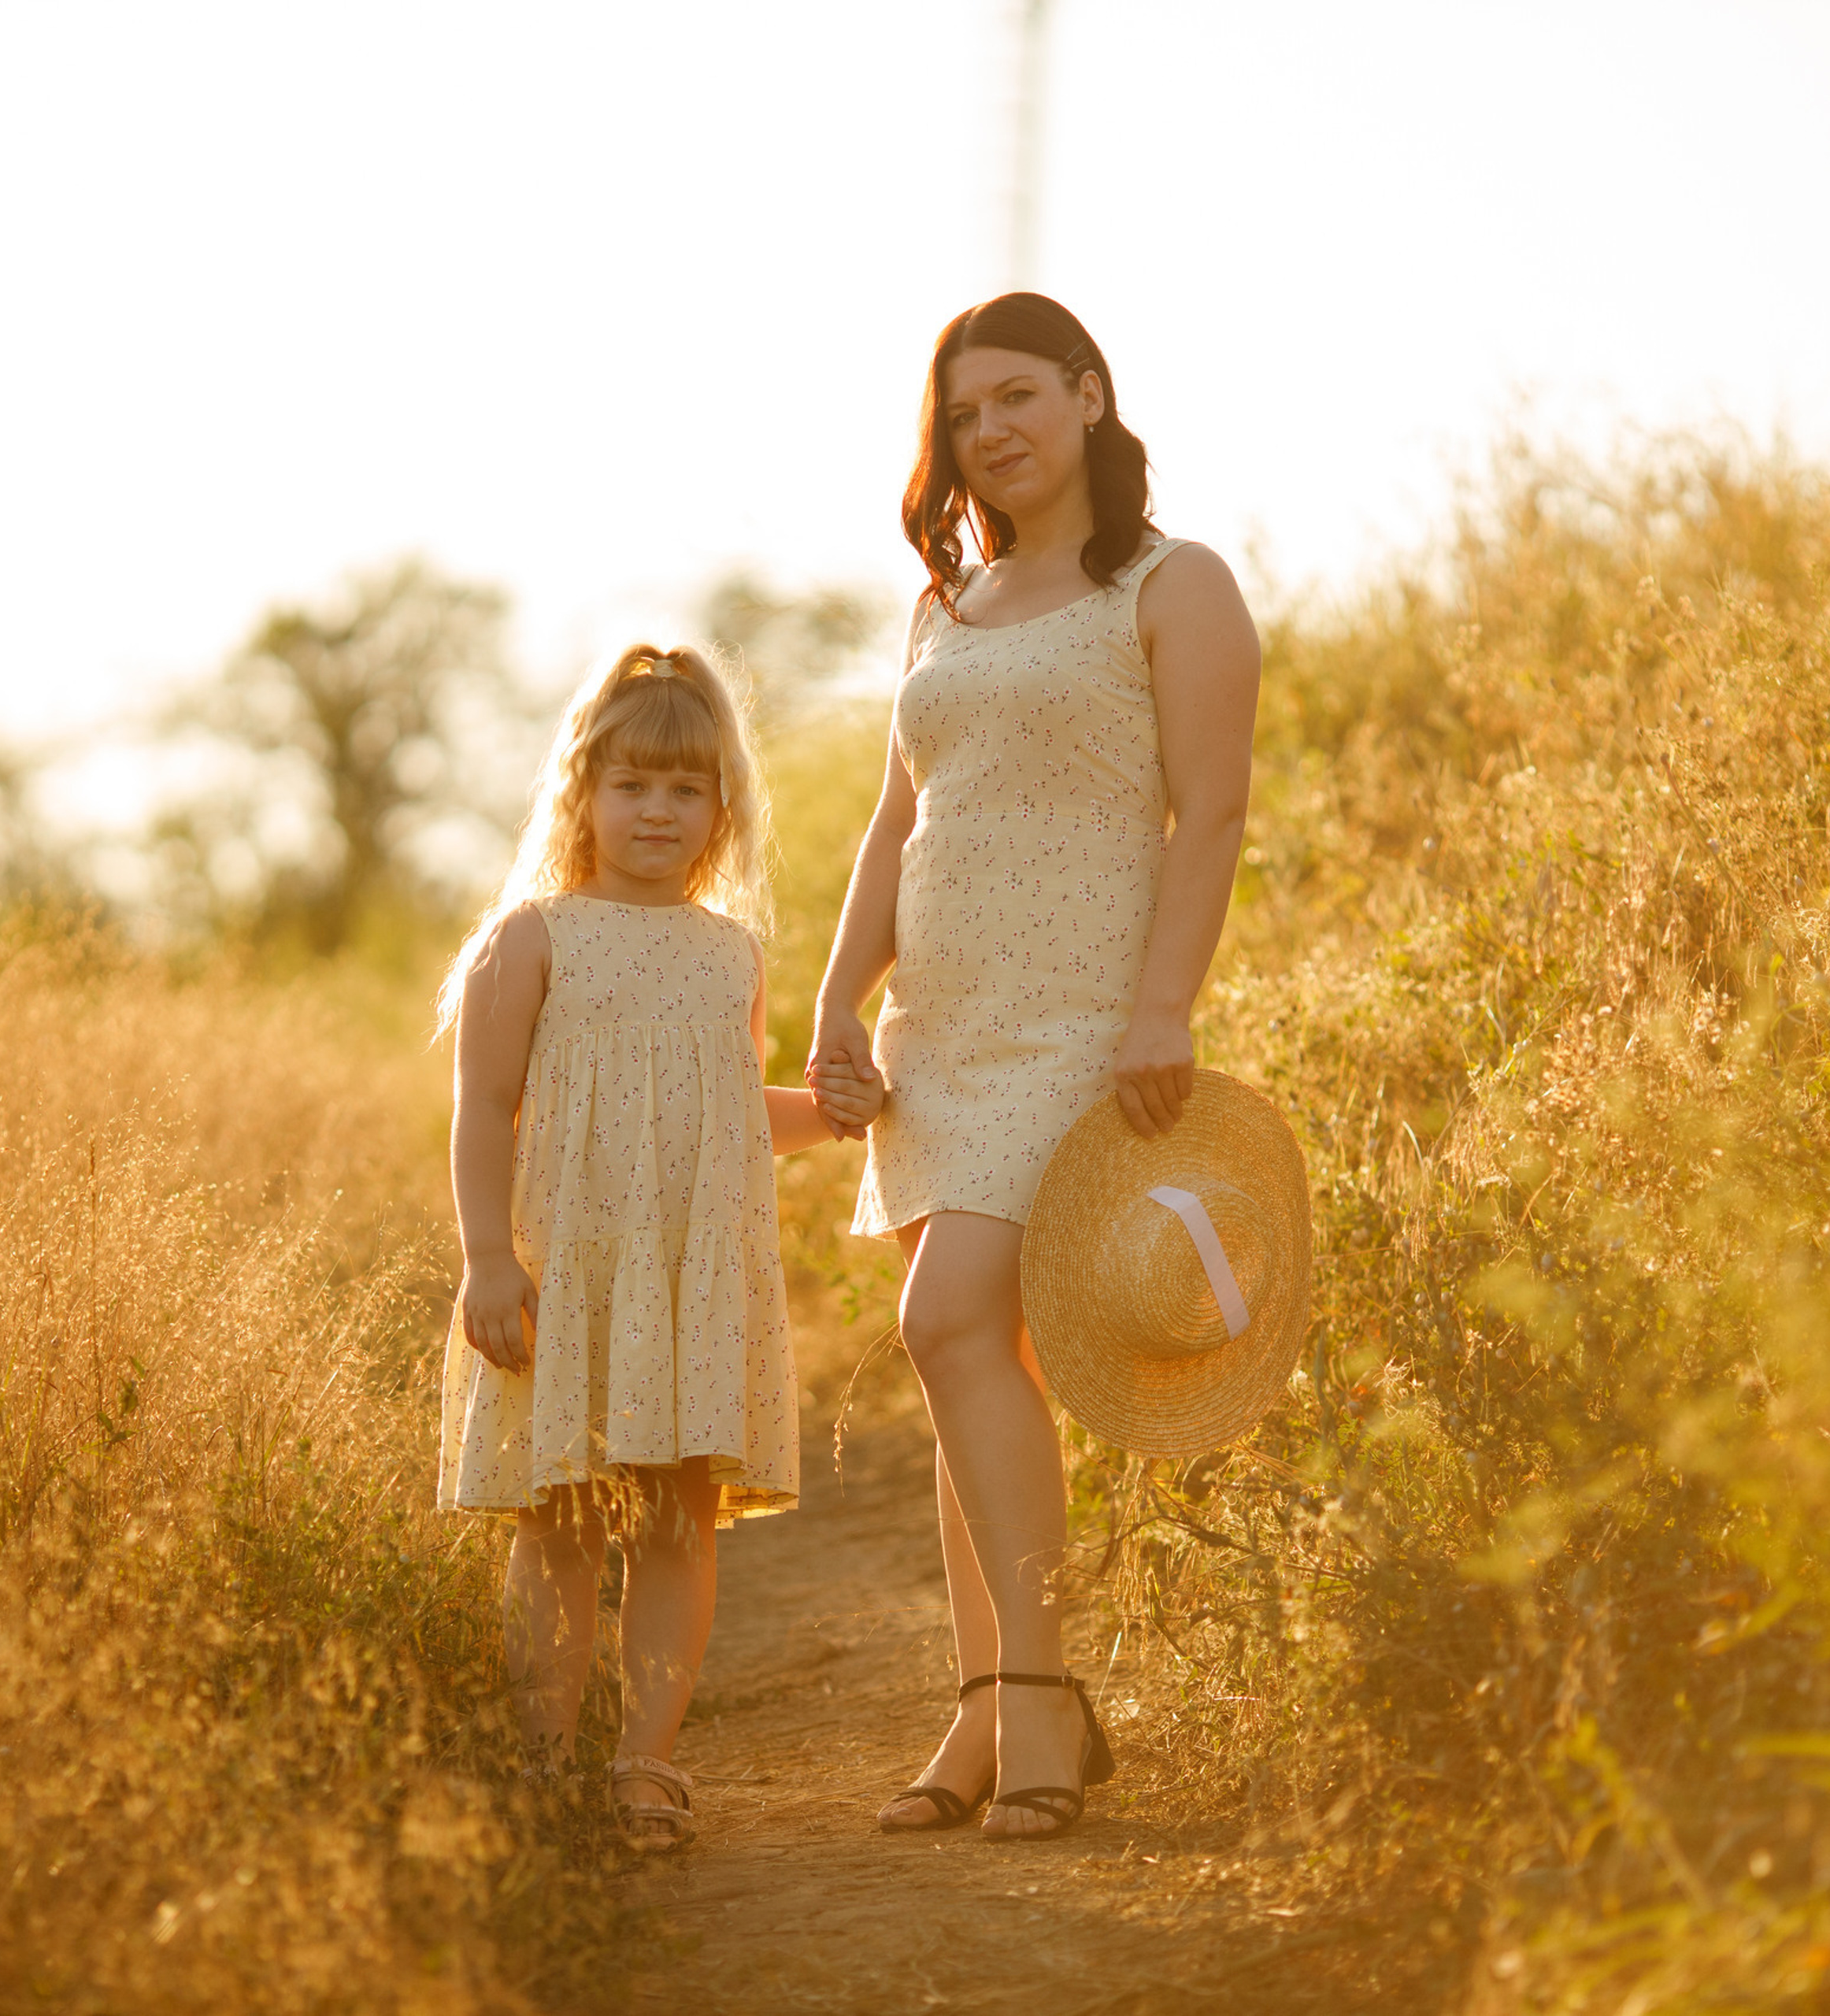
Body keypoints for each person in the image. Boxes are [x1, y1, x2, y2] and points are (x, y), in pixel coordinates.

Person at [807, 294, 1261, 1842]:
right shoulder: (944, 603)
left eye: (1013, 396)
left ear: (1084, 396)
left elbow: (1207, 814)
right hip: (934, 1030)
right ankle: (985, 1702)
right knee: (964, 1358)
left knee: (940, 1319)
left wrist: (1161, 1006)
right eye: (957, 413)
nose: (985, 431)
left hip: (1075, 1020)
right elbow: (896, 819)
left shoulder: (1166, 582)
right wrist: (834, 1004)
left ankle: (1038, 1693)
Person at [436, 644, 882, 1847]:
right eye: (632, 784)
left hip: (690, 1282)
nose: (656, 810)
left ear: (720, 811)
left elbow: (736, 1113)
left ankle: (646, 1764)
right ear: (582, 791)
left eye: (685, 791)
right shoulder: (529, 939)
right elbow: (482, 1112)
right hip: (570, 1275)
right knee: (564, 1522)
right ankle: (541, 1760)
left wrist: (842, 1110)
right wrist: (487, 1258)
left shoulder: (728, 956)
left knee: (680, 1519)